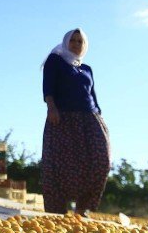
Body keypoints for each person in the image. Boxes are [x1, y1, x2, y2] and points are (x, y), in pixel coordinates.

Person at [40, 28, 111, 214]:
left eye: (80, 41)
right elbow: (48, 85)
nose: (77, 44)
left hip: (90, 118)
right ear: (66, 42)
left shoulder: (87, 69)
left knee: (101, 159)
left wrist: (100, 116)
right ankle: (58, 211)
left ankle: (83, 208)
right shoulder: (55, 60)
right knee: (61, 165)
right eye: (73, 40)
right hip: (63, 118)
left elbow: (92, 95)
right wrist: (51, 107)